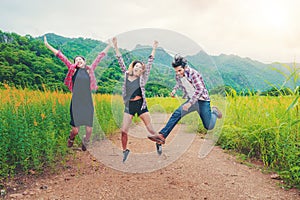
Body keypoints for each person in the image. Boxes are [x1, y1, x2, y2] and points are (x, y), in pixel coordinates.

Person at [44, 36, 111, 151]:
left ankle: (85, 140)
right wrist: (47, 45)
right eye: (76, 60)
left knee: (89, 130)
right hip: (76, 103)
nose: (78, 61)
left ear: (85, 62)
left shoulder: (90, 70)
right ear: (74, 63)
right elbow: (61, 57)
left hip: (87, 103)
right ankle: (71, 138)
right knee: (75, 130)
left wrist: (109, 45)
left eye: (81, 59)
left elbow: (99, 57)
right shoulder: (73, 70)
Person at [148, 54, 222, 155]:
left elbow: (200, 89)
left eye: (180, 71)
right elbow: (179, 83)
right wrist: (174, 91)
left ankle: (214, 112)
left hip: (202, 100)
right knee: (177, 113)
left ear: (185, 67)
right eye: (176, 71)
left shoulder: (193, 74)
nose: (178, 73)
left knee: (208, 126)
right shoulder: (178, 75)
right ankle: (162, 136)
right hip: (191, 100)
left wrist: (190, 103)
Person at [112, 37, 164, 162]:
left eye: (141, 67)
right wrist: (115, 46)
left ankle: (158, 142)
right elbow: (120, 60)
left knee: (151, 130)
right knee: (124, 131)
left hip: (141, 105)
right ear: (133, 67)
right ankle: (125, 150)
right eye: (137, 66)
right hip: (129, 105)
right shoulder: (126, 75)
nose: (138, 68)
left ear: (142, 71)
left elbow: (150, 62)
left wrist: (154, 48)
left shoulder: (143, 78)